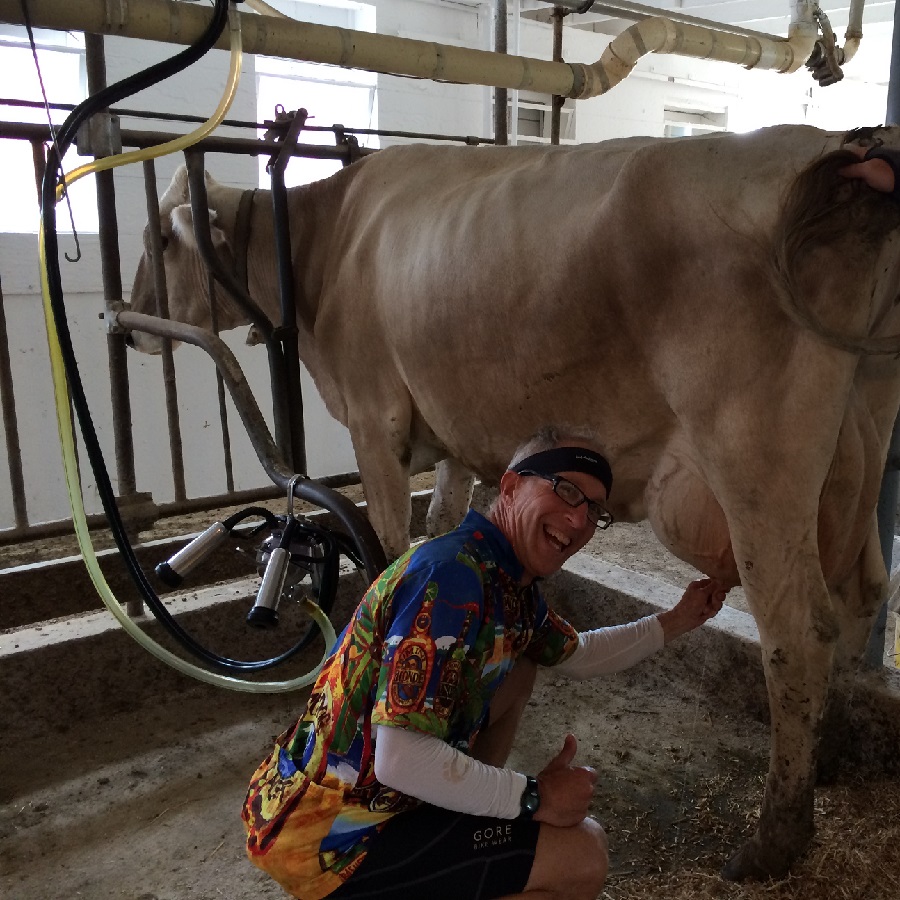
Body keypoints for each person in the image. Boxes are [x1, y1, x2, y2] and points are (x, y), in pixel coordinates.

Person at [242, 426, 729, 900]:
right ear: (512, 486)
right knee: (582, 854)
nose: (580, 521)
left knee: (519, 667)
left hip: (372, 802)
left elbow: (577, 654)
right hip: (332, 834)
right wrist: (533, 798)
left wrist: (678, 619)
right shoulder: (451, 578)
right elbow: (401, 758)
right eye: (566, 491)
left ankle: (457, 828)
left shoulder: (503, 579)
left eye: (594, 510)